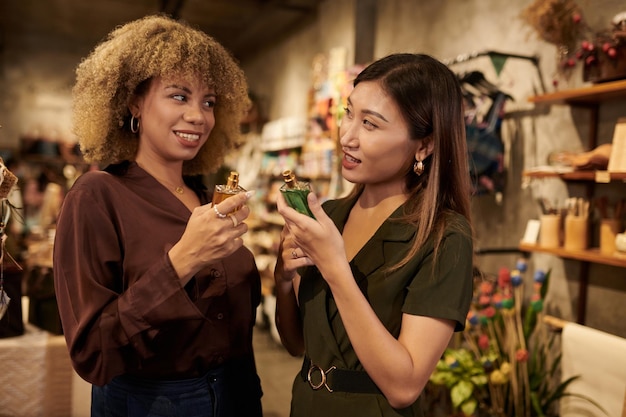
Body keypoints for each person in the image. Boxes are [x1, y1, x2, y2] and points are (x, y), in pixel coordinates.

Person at [53, 15, 263, 417]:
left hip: (239, 394)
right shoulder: (96, 197)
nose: (199, 116)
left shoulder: (206, 199)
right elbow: (93, 353)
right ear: (134, 101)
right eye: (179, 96)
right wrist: (182, 261)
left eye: (209, 102)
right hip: (153, 404)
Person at [274, 53, 474, 417]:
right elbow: (295, 343)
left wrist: (334, 266)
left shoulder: (444, 236)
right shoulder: (329, 215)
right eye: (349, 113)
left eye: (371, 124)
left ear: (424, 146)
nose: (347, 137)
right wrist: (284, 278)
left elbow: (404, 386)